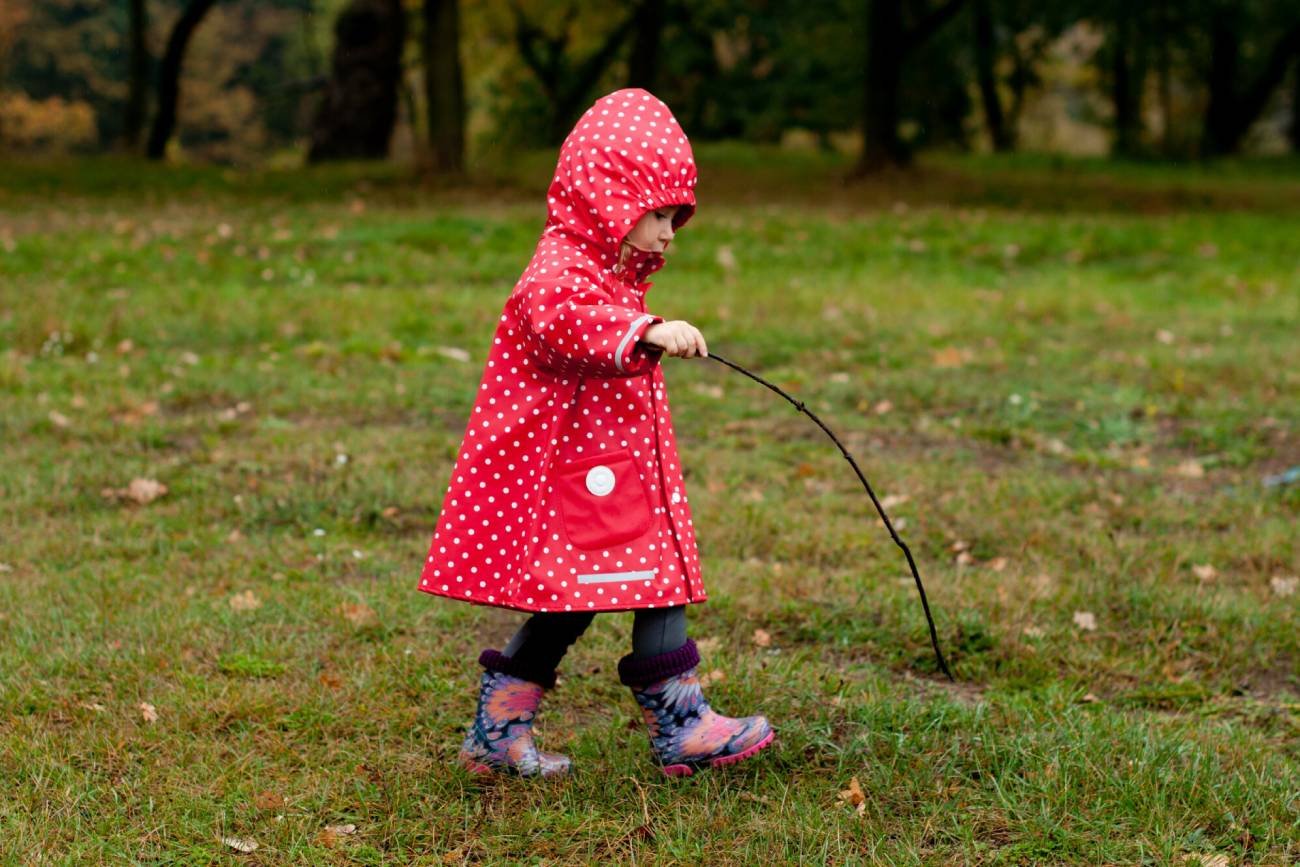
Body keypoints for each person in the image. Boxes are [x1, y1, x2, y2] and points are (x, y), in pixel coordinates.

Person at [417, 87, 774, 779]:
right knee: (640, 580)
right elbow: (562, 324)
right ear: (609, 200)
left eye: (677, 217)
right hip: (577, 474)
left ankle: (500, 732)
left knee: (585, 591)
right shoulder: (562, 269)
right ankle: (682, 722)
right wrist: (643, 330)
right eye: (658, 214)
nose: (670, 233)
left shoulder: (607, 272)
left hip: (605, 471)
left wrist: (639, 322)